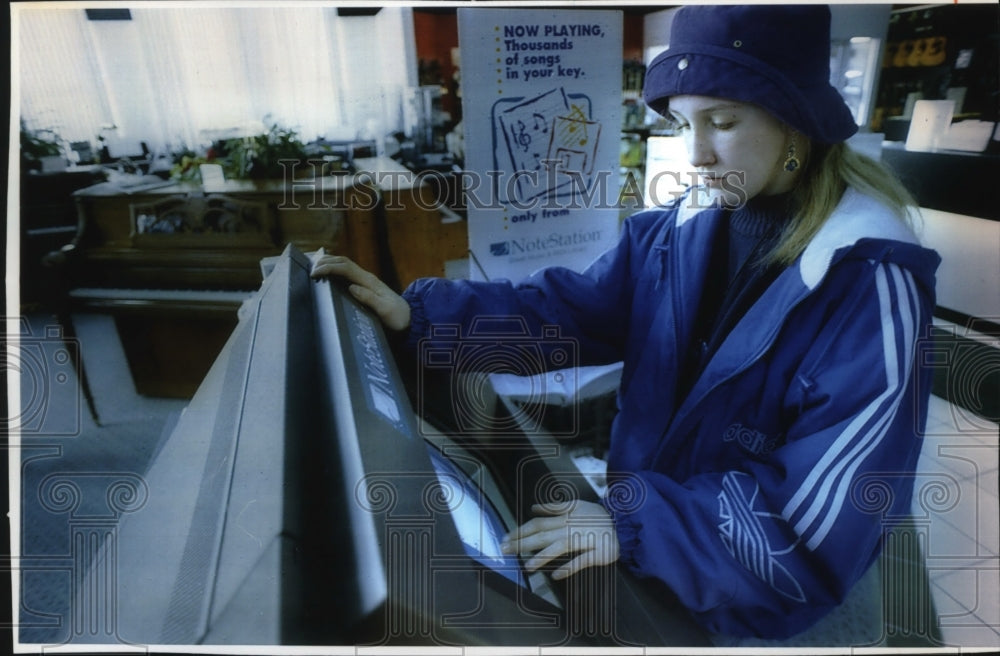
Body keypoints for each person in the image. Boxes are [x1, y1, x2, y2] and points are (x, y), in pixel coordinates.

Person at [312, 4, 941, 644]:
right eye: (682, 123)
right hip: (659, 555)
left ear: (796, 121)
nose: (695, 153)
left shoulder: (867, 281)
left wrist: (639, 526)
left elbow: (819, 521)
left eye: (722, 122)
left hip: (767, 606)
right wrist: (420, 318)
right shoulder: (680, 229)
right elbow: (570, 312)